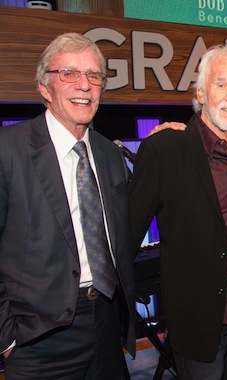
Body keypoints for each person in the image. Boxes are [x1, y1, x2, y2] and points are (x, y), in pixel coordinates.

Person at [129, 43, 227, 379]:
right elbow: (125, 237)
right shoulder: (166, 150)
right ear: (200, 92)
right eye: (220, 84)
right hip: (200, 319)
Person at [0, 33, 137, 379]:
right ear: (45, 87)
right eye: (69, 73)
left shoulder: (110, 154)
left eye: (94, 76)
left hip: (106, 324)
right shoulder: (8, 151)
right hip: (38, 337)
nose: (84, 85)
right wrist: (7, 338)